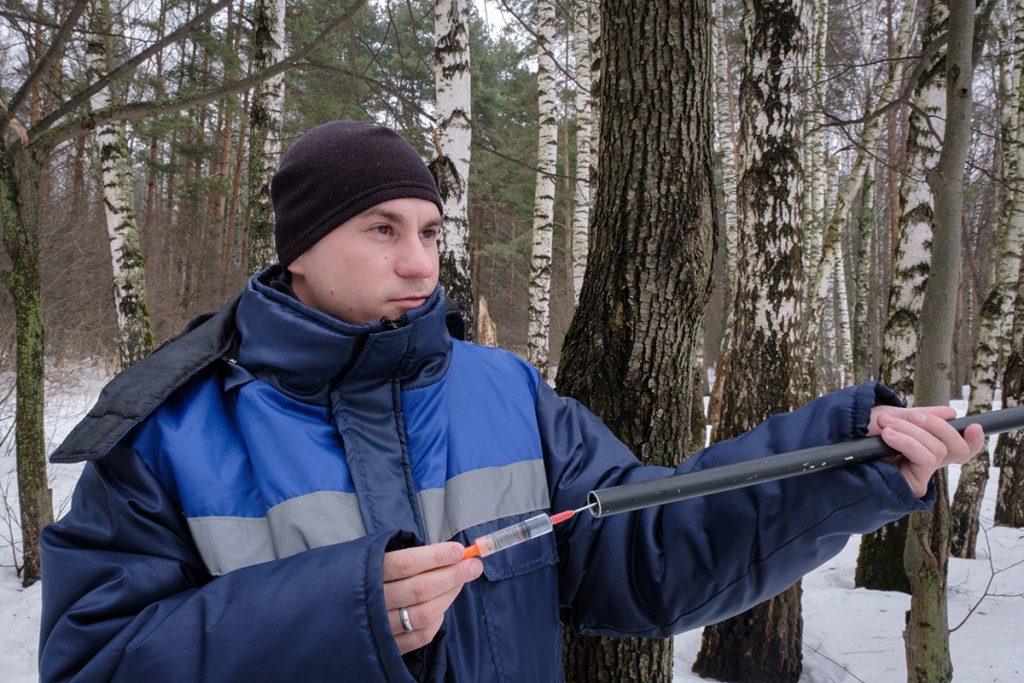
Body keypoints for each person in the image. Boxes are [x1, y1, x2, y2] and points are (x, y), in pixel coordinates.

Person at [38, 120, 984, 682]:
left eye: (429, 230)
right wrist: (338, 612)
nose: (419, 260)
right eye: (380, 229)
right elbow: (93, 661)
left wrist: (849, 458)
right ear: (299, 245)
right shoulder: (168, 431)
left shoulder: (504, 390)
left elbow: (649, 552)